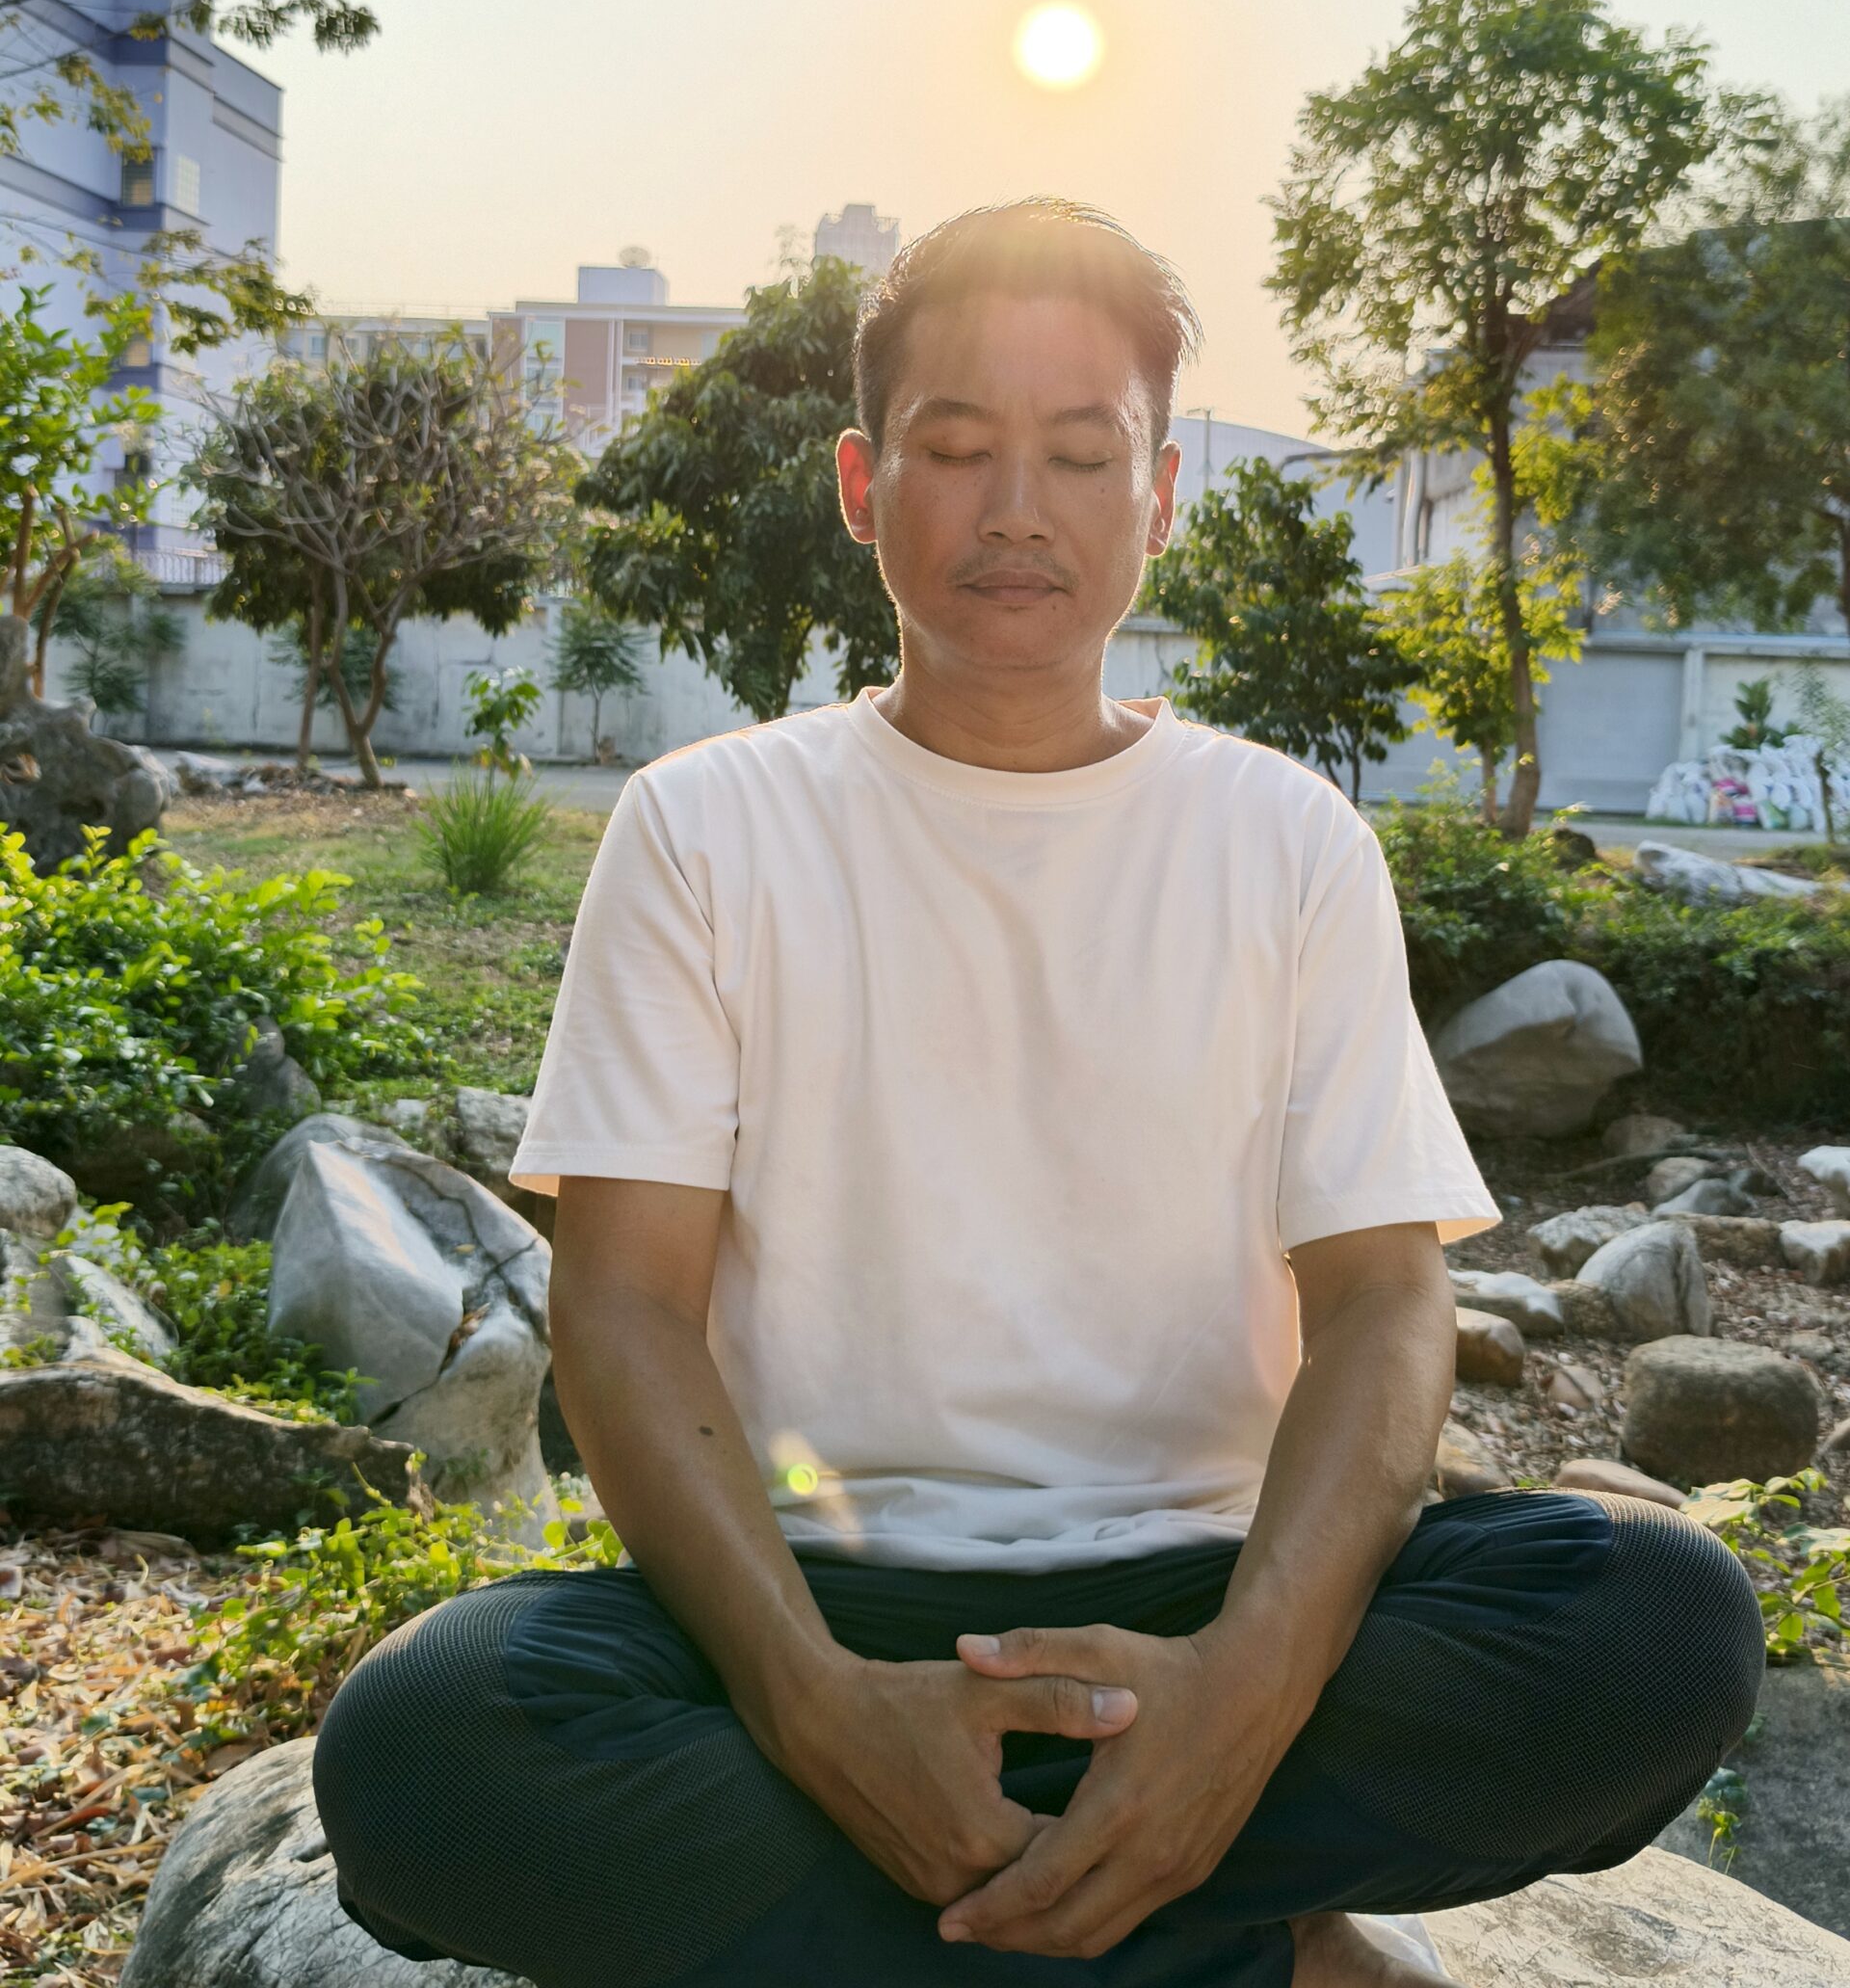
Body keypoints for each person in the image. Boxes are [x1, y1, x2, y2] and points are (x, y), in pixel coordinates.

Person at [314, 200, 1762, 1987]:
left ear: (1159, 499)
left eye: (1084, 454)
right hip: (815, 1598)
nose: (1019, 507)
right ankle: (1249, 1942)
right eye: (958, 448)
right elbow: (624, 1309)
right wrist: (824, 1712)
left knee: (1657, 1626)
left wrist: (1238, 1708)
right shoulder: (709, 826)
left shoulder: (1286, 841)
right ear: (861, 483)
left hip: (1205, 1590)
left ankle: (1026, 1895)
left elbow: (1387, 1309)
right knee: (425, 1751)